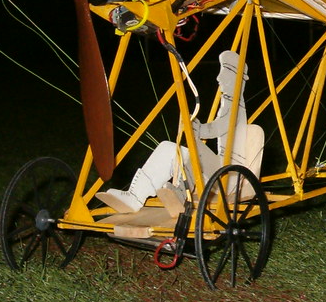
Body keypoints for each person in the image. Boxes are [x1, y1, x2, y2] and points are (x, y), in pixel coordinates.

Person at [96, 50, 250, 214]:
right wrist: (195, 127)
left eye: (225, 73)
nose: (219, 78)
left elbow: (220, 127)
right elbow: (218, 126)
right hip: (220, 169)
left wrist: (197, 128)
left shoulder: (236, 107)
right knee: (169, 148)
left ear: (238, 80)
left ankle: (178, 193)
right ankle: (136, 196)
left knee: (192, 150)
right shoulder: (229, 104)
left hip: (230, 176)